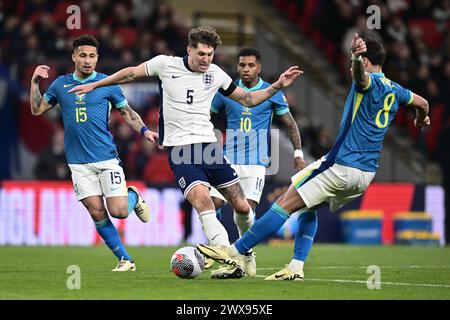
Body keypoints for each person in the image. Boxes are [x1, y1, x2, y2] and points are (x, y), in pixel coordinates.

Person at [69, 26, 302, 278]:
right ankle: (228, 258)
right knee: (203, 201)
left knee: (243, 207)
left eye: (210, 54)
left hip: (209, 148)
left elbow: (247, 99)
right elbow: (129, 74)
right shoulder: (165, 65)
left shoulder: (215, 74)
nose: (206, 59)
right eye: (201, 53)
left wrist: (278, 84)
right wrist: (96, 85)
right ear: (189, 49)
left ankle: (246, 254)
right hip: (180, 149)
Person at [197, 33, 430, 280]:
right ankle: (296, 267)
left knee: (283, 204)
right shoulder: (398, 90)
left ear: (366, 59)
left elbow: (360, 77)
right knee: (308, 208)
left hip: (341, 164)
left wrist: (355, 58)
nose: (346, 65)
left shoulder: (368, 81)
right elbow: (423, 103)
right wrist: (419, 117)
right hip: (365, 175)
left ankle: (233, 253)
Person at [30, 35, 157, 272]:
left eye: (92, 56)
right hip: (78, 162)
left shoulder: (107, 84)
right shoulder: (60, 85)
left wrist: (144, 130)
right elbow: (37, 109)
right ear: (74, 57)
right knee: (96, 211)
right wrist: (35, 83)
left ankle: (134, 197)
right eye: (83, 55)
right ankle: (125, 260)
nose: (87, 61)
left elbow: (127, 113)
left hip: (106, 157)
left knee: (119, 212)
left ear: (97, 58)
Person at [208, 47, 307, 276]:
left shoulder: (271, 93)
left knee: (244, 213)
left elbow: (290, 124)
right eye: (242, 65)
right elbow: (207, 115)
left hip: (255, 162)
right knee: (212, 204)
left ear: (259, 68)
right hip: (228, 159)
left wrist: (298, 153)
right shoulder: (227, 91)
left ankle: (246, 254)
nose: (246, 69)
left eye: (250, 65)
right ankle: (224, 252)